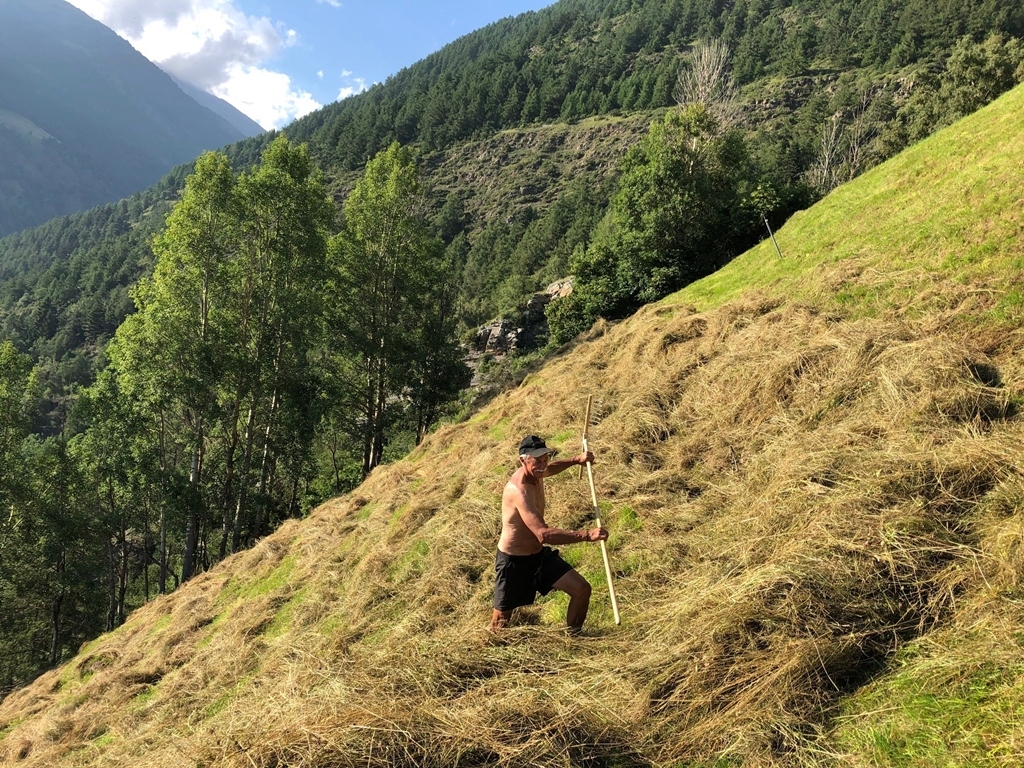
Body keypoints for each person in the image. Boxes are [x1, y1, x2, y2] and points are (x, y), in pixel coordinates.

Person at [490, 434, 609, 633]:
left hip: (538, 556)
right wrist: (587, 535)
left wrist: (576, 460)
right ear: (522, 460)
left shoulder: (537, 471)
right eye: (537, 461)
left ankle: (574, 637)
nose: (543, 465)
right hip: (514, 563)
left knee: (581, 589)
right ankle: (490, 646)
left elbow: (550, 469)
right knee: (500, 625)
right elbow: (544, 535)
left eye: (545, 459)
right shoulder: (519, 490)